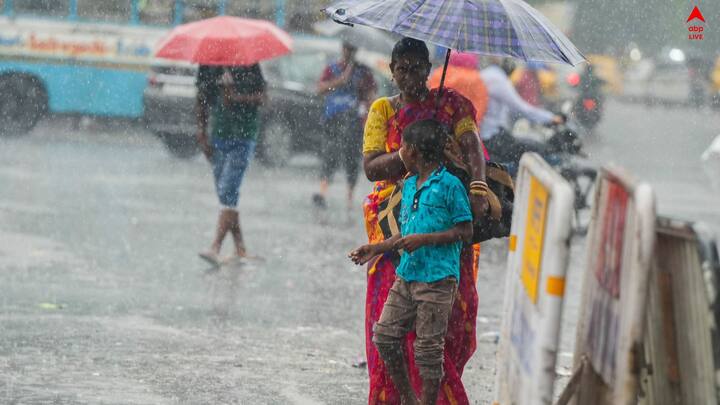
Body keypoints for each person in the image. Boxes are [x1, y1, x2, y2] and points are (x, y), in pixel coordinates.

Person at [361, 37, 488, 405]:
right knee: (390, 326)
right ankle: (400, 396)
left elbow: (472, 147)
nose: (409, 76)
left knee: (443, 325)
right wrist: (411, 153)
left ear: (429, 70)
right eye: (402, 68)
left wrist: (477, 185)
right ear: (391, 70)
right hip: (397, 221)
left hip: (445, 226)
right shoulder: (383, 110)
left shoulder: (451, 106)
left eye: (417, 68)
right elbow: (371, 168)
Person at [351, 119, 473, 405]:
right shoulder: (408, 184)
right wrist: (376, 248)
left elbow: (465, 231)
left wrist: (425, 240)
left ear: (415, 151)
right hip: (407, 275)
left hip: (438, 279)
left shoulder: (450, 185)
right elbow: (406, 233)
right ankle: (409, 398)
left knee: (428, 349)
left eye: (404, 145)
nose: (400, 150)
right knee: (385, 336)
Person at [195, 64, 266, 265]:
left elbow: (262, 98)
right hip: (219, 136)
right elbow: (201, 98)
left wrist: (234, 96)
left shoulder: (250, 65)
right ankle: (240, 248)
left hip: (244, 136)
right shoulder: (208, 65)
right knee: (226, 195)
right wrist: (201, 134)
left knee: (228, 189)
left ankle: (215, 247)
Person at [313, 41, 377, 210]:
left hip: (353, 122)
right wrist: (340, 81)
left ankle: (349, 198)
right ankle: (322, 192)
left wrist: (367, 107)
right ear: (342, 49)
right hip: (333, 119)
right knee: (329, 154)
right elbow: (319, 89)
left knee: (351, 159)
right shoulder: (332, 68)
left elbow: (371, 95)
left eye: (352, 49)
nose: (348, 52)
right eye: (346, 48)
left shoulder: (363, 72)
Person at [479, 58, 564, 163]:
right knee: (535, 150)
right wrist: (551, 118)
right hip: (490, 135)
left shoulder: (485, 74)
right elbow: (521, 107)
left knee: (524, 145)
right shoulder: (498, 79)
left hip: (486, 133)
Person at [427, 52, 489, 125]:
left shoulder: (440, 73)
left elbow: (432, 97)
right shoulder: (476, 79)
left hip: (439, 122)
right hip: (466, 124)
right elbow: (481, 104)